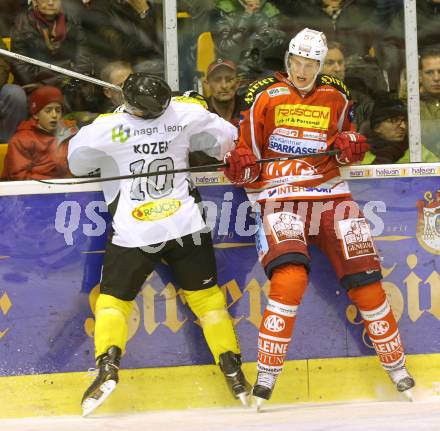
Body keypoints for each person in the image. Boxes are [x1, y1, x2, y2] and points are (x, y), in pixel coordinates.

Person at [223, 28, 415, 408]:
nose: (304, 69)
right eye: (298, 61)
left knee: (367, 281)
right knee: (290, 278)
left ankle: (398, 368)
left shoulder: (337, 94)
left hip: (332, 196)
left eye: (312, 63)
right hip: (279, 196)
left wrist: (350, 148)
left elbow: (344, 151)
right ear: (288, 60)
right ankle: (266, 376)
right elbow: (248, 163)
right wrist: (240, 166)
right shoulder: (262, 93)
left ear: (321, 64)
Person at [68, 73, 251, 416]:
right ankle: (233, 369)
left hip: (136, 231)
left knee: (113, 303)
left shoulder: (108, 127)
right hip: (185, 225)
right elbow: (227, 140)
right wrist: (191, 108)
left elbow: (76, 163)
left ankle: (107, 365)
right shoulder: (183, 112)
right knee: (209, 302)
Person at [2, 85, 77, 180]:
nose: (54, 115)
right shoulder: (21, 140)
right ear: (36, 114)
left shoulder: (67, 136)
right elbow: (19, 177)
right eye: (48, 110)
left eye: (58, 110)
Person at [361, 97, 409, 164]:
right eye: (394, 120)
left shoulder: (418, 152)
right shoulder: (359, 156)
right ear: (377, 127)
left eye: (404, 120)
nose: (403, 126)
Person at [419, 46, 440, 162]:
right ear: (420, 76)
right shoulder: (410, 108)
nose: (436, 78)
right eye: (429, 72)